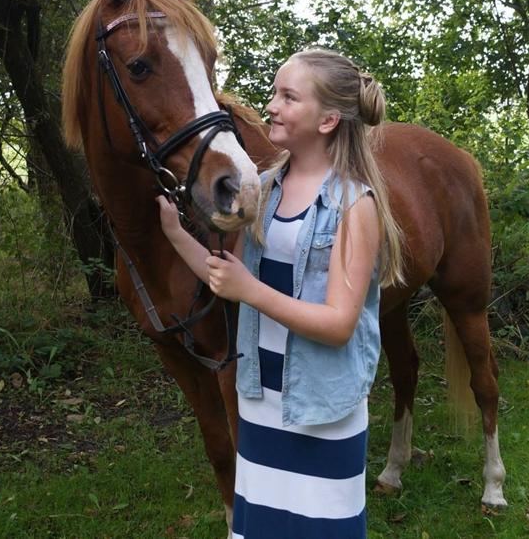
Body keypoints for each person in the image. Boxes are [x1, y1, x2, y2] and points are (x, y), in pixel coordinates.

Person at [157, 48, 404, 538]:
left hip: (321, 409)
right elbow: (225, 278)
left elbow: (338, 325)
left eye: (288, 97)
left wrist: (250, 291)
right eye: (274, 92)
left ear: (329, 119)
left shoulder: (354, 204)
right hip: (262, 401)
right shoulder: (264, 188)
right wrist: (173, 232)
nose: (271, 105)